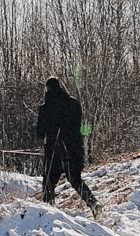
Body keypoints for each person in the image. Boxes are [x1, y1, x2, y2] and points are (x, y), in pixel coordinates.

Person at [36, 77, 97, 210]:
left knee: (48, 182)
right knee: (75, 179)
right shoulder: (74, 103)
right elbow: (78, 125)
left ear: (47, 89)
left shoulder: (45, 108)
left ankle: (48, 211)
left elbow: (39, 133)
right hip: (74, 148)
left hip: (54, 151)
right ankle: (94, 204)